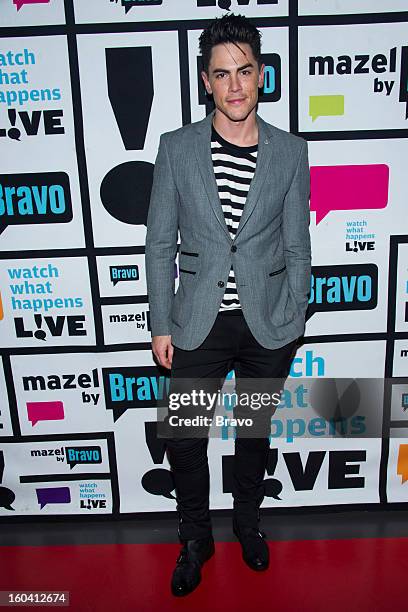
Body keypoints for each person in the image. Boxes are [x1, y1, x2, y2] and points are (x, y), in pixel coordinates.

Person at [145, 13, 311, 597]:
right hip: (197, 322)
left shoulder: (290, 152)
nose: (235, 85)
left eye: (245, 71)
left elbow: (297, 242)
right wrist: (161, 320)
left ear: (261, 75)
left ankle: (247, 523)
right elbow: (160, 240)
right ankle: (196, 537)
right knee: (184, 438)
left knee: (253, 434)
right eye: (222, 74)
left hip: (268, 325)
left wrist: (296, 313)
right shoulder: (176, 148)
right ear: (206, 81)